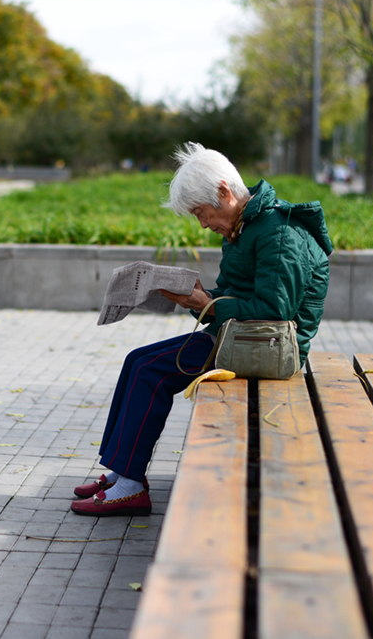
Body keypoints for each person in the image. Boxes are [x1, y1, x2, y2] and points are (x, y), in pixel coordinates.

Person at [70, 143, 333, 517]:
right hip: (244, 337)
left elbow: (275, 313)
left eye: (201, 212)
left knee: (151, 371)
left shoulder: (278, 234)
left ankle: (130, 486)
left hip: (270, 348)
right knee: (137, 360)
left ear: (224, 193)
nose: (203, 223)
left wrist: (205, 304)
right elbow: (236, 296)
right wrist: (201, 298)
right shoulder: (247, 228)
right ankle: (119, 472)